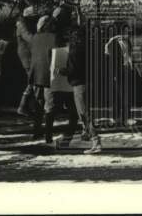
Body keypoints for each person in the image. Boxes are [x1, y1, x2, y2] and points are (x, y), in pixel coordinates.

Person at [29, 14, 75, 143]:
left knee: (39, 104)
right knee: (49, 106)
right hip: (49, 75)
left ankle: (36, 131)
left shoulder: (35, 37)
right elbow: (61, 56)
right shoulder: (56, 37)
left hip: (36, 75)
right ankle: (48, 136)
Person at [59, 26, 103, 154]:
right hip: (90, 82)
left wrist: (61, 70)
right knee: (87, 112)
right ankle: (87, 134)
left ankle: (96, 140)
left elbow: (72, 70)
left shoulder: (74, 51)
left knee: (84, 113)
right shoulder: (90, 47)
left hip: (79, 84)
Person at [15, 6, 38, 116]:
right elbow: (29, 38)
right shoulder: (22, 25)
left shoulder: (24, 23)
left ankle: (27, 106)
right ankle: (23, 106)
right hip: (27, 55)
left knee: (33, 78)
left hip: (29, 53)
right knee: (33, 78)